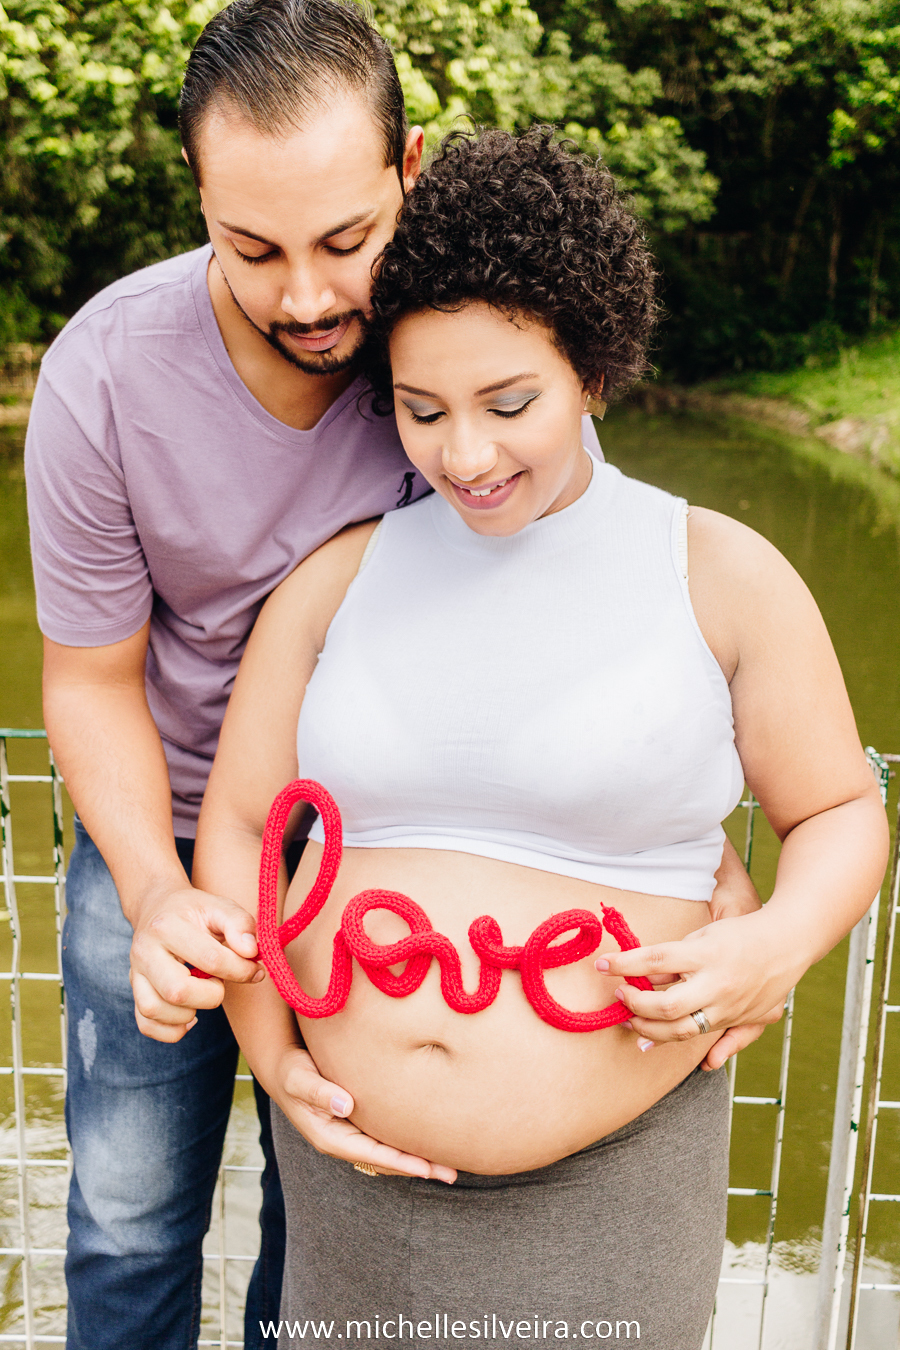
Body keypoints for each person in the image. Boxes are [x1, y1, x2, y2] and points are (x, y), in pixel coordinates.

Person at [194, 126, 889, 1350]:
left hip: (613, 1185)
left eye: (509, 403)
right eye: (421, 410)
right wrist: (269, 1048)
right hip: (357, 1182)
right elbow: (247, 824)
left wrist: (776, 944)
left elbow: (837, 811)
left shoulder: (722, 572)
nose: (465, 455)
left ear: (596, 374)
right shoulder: (336, 580)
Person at [23, 4, 606, 1346]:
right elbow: (92, 678)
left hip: (379, 854)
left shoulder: (465, 356)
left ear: (411, 168)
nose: (308, 296)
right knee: (125, 1221)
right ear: (201, 200)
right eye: (253, 248)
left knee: (336, 1229)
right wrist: (164, 896)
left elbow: (582, 610)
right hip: (157, 838)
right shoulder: (99, 379)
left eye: (349, 242)